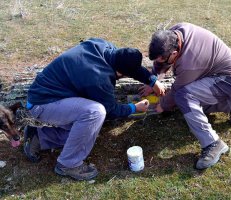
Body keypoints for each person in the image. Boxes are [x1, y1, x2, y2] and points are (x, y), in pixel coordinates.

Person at [24, 38, 165, 180]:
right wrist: (134, 107)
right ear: (121, 73)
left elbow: (128, 66)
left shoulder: (104, 47)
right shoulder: (99, 79)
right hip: (43, 103)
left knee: (85, 133)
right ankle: (68, 165)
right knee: (95, 113)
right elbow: (110, 110)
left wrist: (152, 80)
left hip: (51, 94)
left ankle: (39, 136)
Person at [140, 22, 231, 170]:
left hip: (228, 80)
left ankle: (213, 143)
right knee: (186, 99)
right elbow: (161, 61)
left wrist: (162, 105)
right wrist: (153, 81)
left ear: (175, 54)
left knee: (184, 97)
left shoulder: (190, 63)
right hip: (211, 73)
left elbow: (177, 90)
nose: (159, 62)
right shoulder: (175, 33)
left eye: (163, 59)